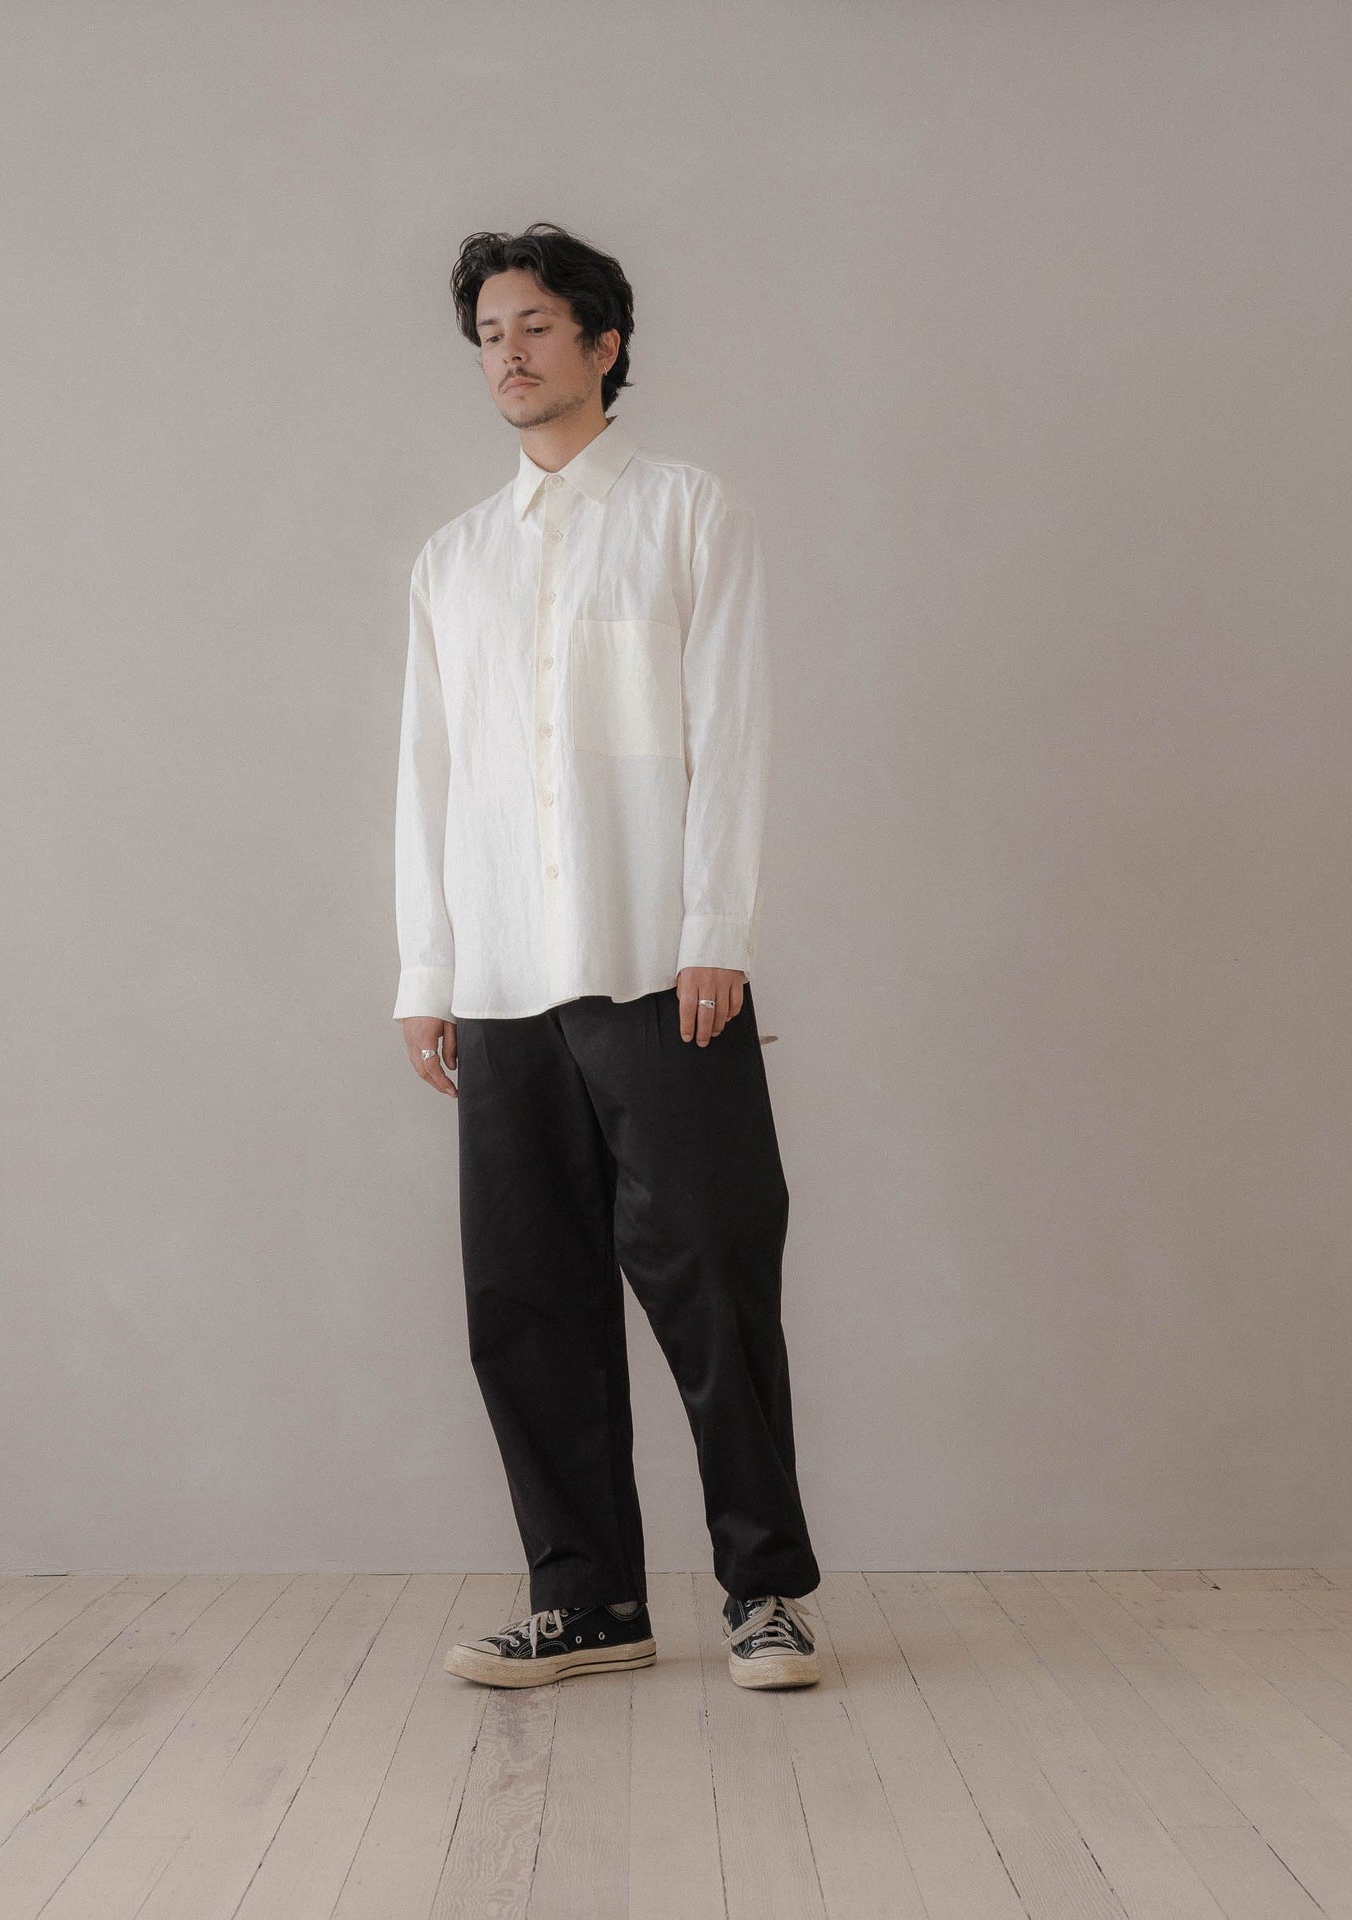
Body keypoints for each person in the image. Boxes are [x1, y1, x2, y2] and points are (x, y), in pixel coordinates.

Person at [393, 222, 820, 1691]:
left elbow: (732, 730)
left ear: (603, 342)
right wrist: (427, 972)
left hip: (659, 964)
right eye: (488, 336)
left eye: (534, 327)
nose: (507, 355)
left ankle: (767, 1594)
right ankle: (588, 1603)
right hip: (503, 981)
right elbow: (429, 780)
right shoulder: (453, 562)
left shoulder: (688, 514)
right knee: (525, 1302)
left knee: (716, 1281)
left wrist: (715, 932)